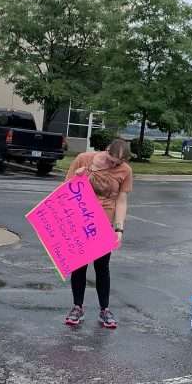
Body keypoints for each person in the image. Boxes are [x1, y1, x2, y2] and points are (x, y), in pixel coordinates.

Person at [64, 139, 133, 329]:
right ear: (106, 150)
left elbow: (121, 200)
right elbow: (65, 191)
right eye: (111, 160)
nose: (114, 165)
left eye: (118, 163)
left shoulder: (125, 171)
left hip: (104, 222)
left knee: (102, 266)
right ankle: (77, 307)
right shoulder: (83, 159)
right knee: (79, 265)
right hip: (81, 218)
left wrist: (119, 228)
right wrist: (78, 178)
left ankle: (105, 310)